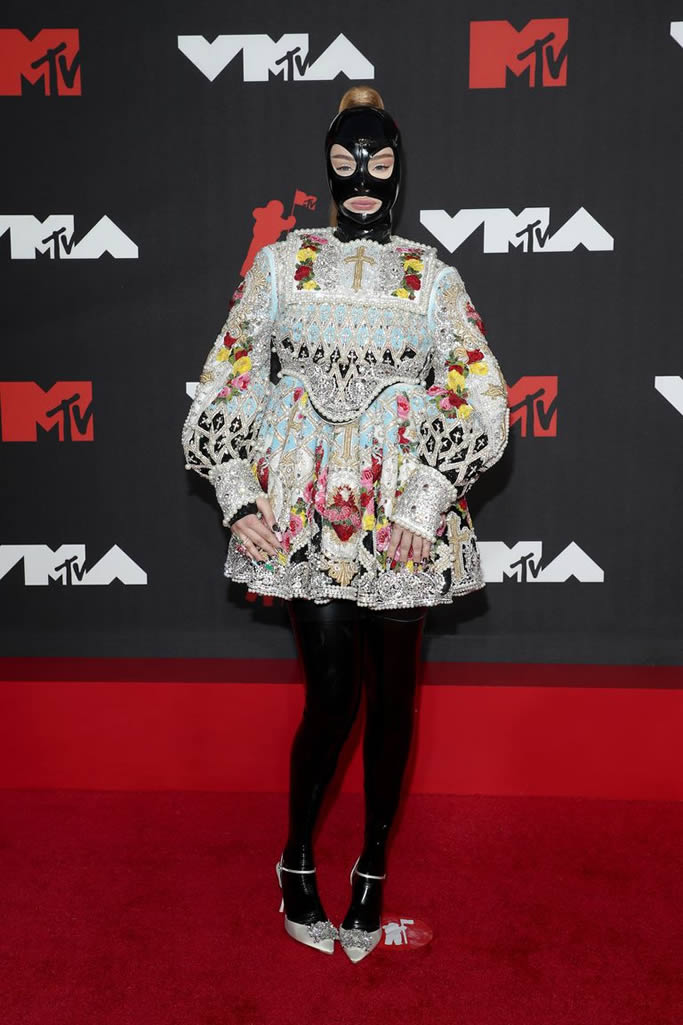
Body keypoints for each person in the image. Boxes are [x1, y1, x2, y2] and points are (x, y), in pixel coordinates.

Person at [181, 85, 510, 962]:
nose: (362, 181)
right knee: (332, 694)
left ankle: (370, 869)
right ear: (327, 169)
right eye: (344, 163)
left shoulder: (432, 277)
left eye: (379, 163)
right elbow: (228, 373)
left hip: (402, 516)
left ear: (398, 170)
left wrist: (426, 500)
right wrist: (237, 491)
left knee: (394, 698)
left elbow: (481, 391)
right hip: (306, 509)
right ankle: (295, 856)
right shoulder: (279, 264)